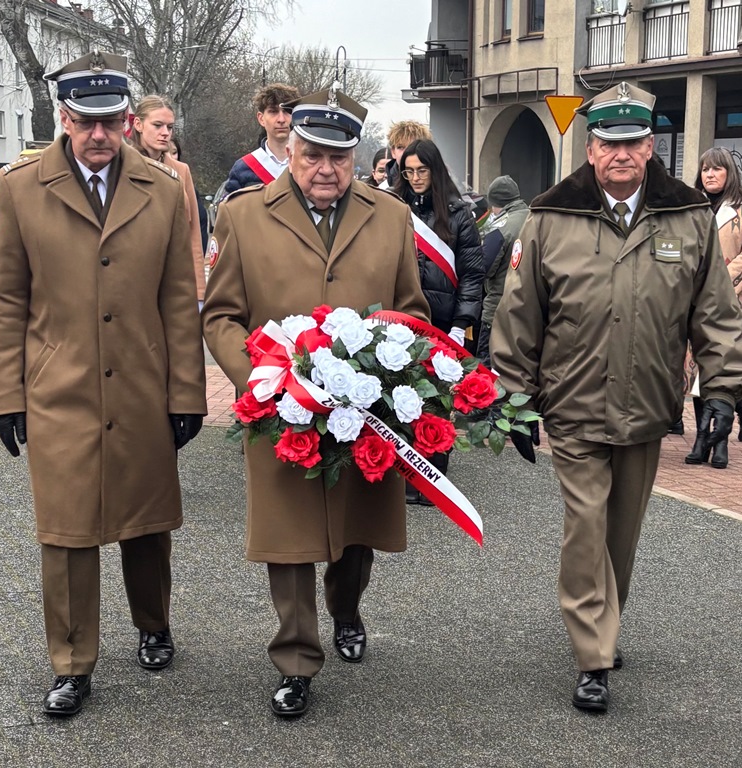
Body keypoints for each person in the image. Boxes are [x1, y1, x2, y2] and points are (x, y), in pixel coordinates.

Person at [489, 81, 742, 713]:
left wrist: (723, 388)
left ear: (650, 146)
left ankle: (602, 623)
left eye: (634, 143)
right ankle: (592, 656)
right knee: (585, 527)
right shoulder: (553, 216)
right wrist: (512, 395)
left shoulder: (686, 216)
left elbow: (713, 312)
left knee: (621, 533)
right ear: (591, 147)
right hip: (573, 402)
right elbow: (520, 314)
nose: (622, 155)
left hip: (647, 404)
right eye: (609, 143)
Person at [0, 51, 207, 718]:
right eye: (86, 122)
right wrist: (6, 395)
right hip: (60, 388)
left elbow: (177, 298)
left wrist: (187, 393)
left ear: (129, 120)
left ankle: (154, 624)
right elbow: (0, 301)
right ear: (64, 119)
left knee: (146, 523)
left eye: (111, 121)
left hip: (142, 384)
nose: (100, 135)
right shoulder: (19, 189)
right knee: (67, 533)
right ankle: (72, 663)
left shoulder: (162, 190)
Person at [202, 84, 430, 718]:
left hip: (363, 410)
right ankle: (297, 658)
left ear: (355, 158)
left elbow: (411, 308)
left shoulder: (388, 217)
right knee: (289, 536)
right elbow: (221, 315)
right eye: (311, 156)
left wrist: (391, 368)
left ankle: (347, 608)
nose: (325, 170)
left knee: (355, 531)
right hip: (282, 408)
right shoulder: (243, 216)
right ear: (289, 151)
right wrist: (257, 379)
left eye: (338, 157)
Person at [394, 138, 484, 503]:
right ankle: (403, 474)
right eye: (409, 171)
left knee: (437, 401)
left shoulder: (459, 213)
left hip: (444, 320)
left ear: (435, 170)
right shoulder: (395, 207)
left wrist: (461, 324)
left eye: (422, 170)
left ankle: (432, 480)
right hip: (400, 318)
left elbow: (472, 274)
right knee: (401, 395)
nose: (415, 178)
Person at [684, 147, 742, 467]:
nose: (710, 174)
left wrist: (719, 283)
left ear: (729, 172)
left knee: (726, 369)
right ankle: (701, 437)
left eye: (717, 169)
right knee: (697, 373)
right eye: (705, 169)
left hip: (733, 303)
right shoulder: (692, 206)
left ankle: (721, 443)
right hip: (696, 303)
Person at [130, 95, 206, 305]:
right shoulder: (121, 167)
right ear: (138, 124)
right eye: (157, 125)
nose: (165, 133)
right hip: (133, 278)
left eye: (169, 127)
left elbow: (193, 235)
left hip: (173, 276)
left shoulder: (181, 170)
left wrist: (199, 291)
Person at [476, 175, 528, 369]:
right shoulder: (535, 218)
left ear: (495, 203)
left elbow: (484, 268)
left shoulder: (500, 226)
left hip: (497, 309)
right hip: (527, 310)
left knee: (486, 369)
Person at [223, 83, 299, 194]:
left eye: (287, 111)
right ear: (261, 118)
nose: (281, 119)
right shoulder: (243, 168)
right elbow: (229, 209)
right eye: (273, 111)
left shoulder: (309, 164)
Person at [171, 136, 209, 255]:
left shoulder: (189, 188)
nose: (170, 158)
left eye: (174, 152)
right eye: (165, 153)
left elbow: (199, 226)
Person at [383, 120, 432, 189]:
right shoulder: (383, 189)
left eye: (412, 146)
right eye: (400, 147)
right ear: (393, 152)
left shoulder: (441, 186)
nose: (406, 152)